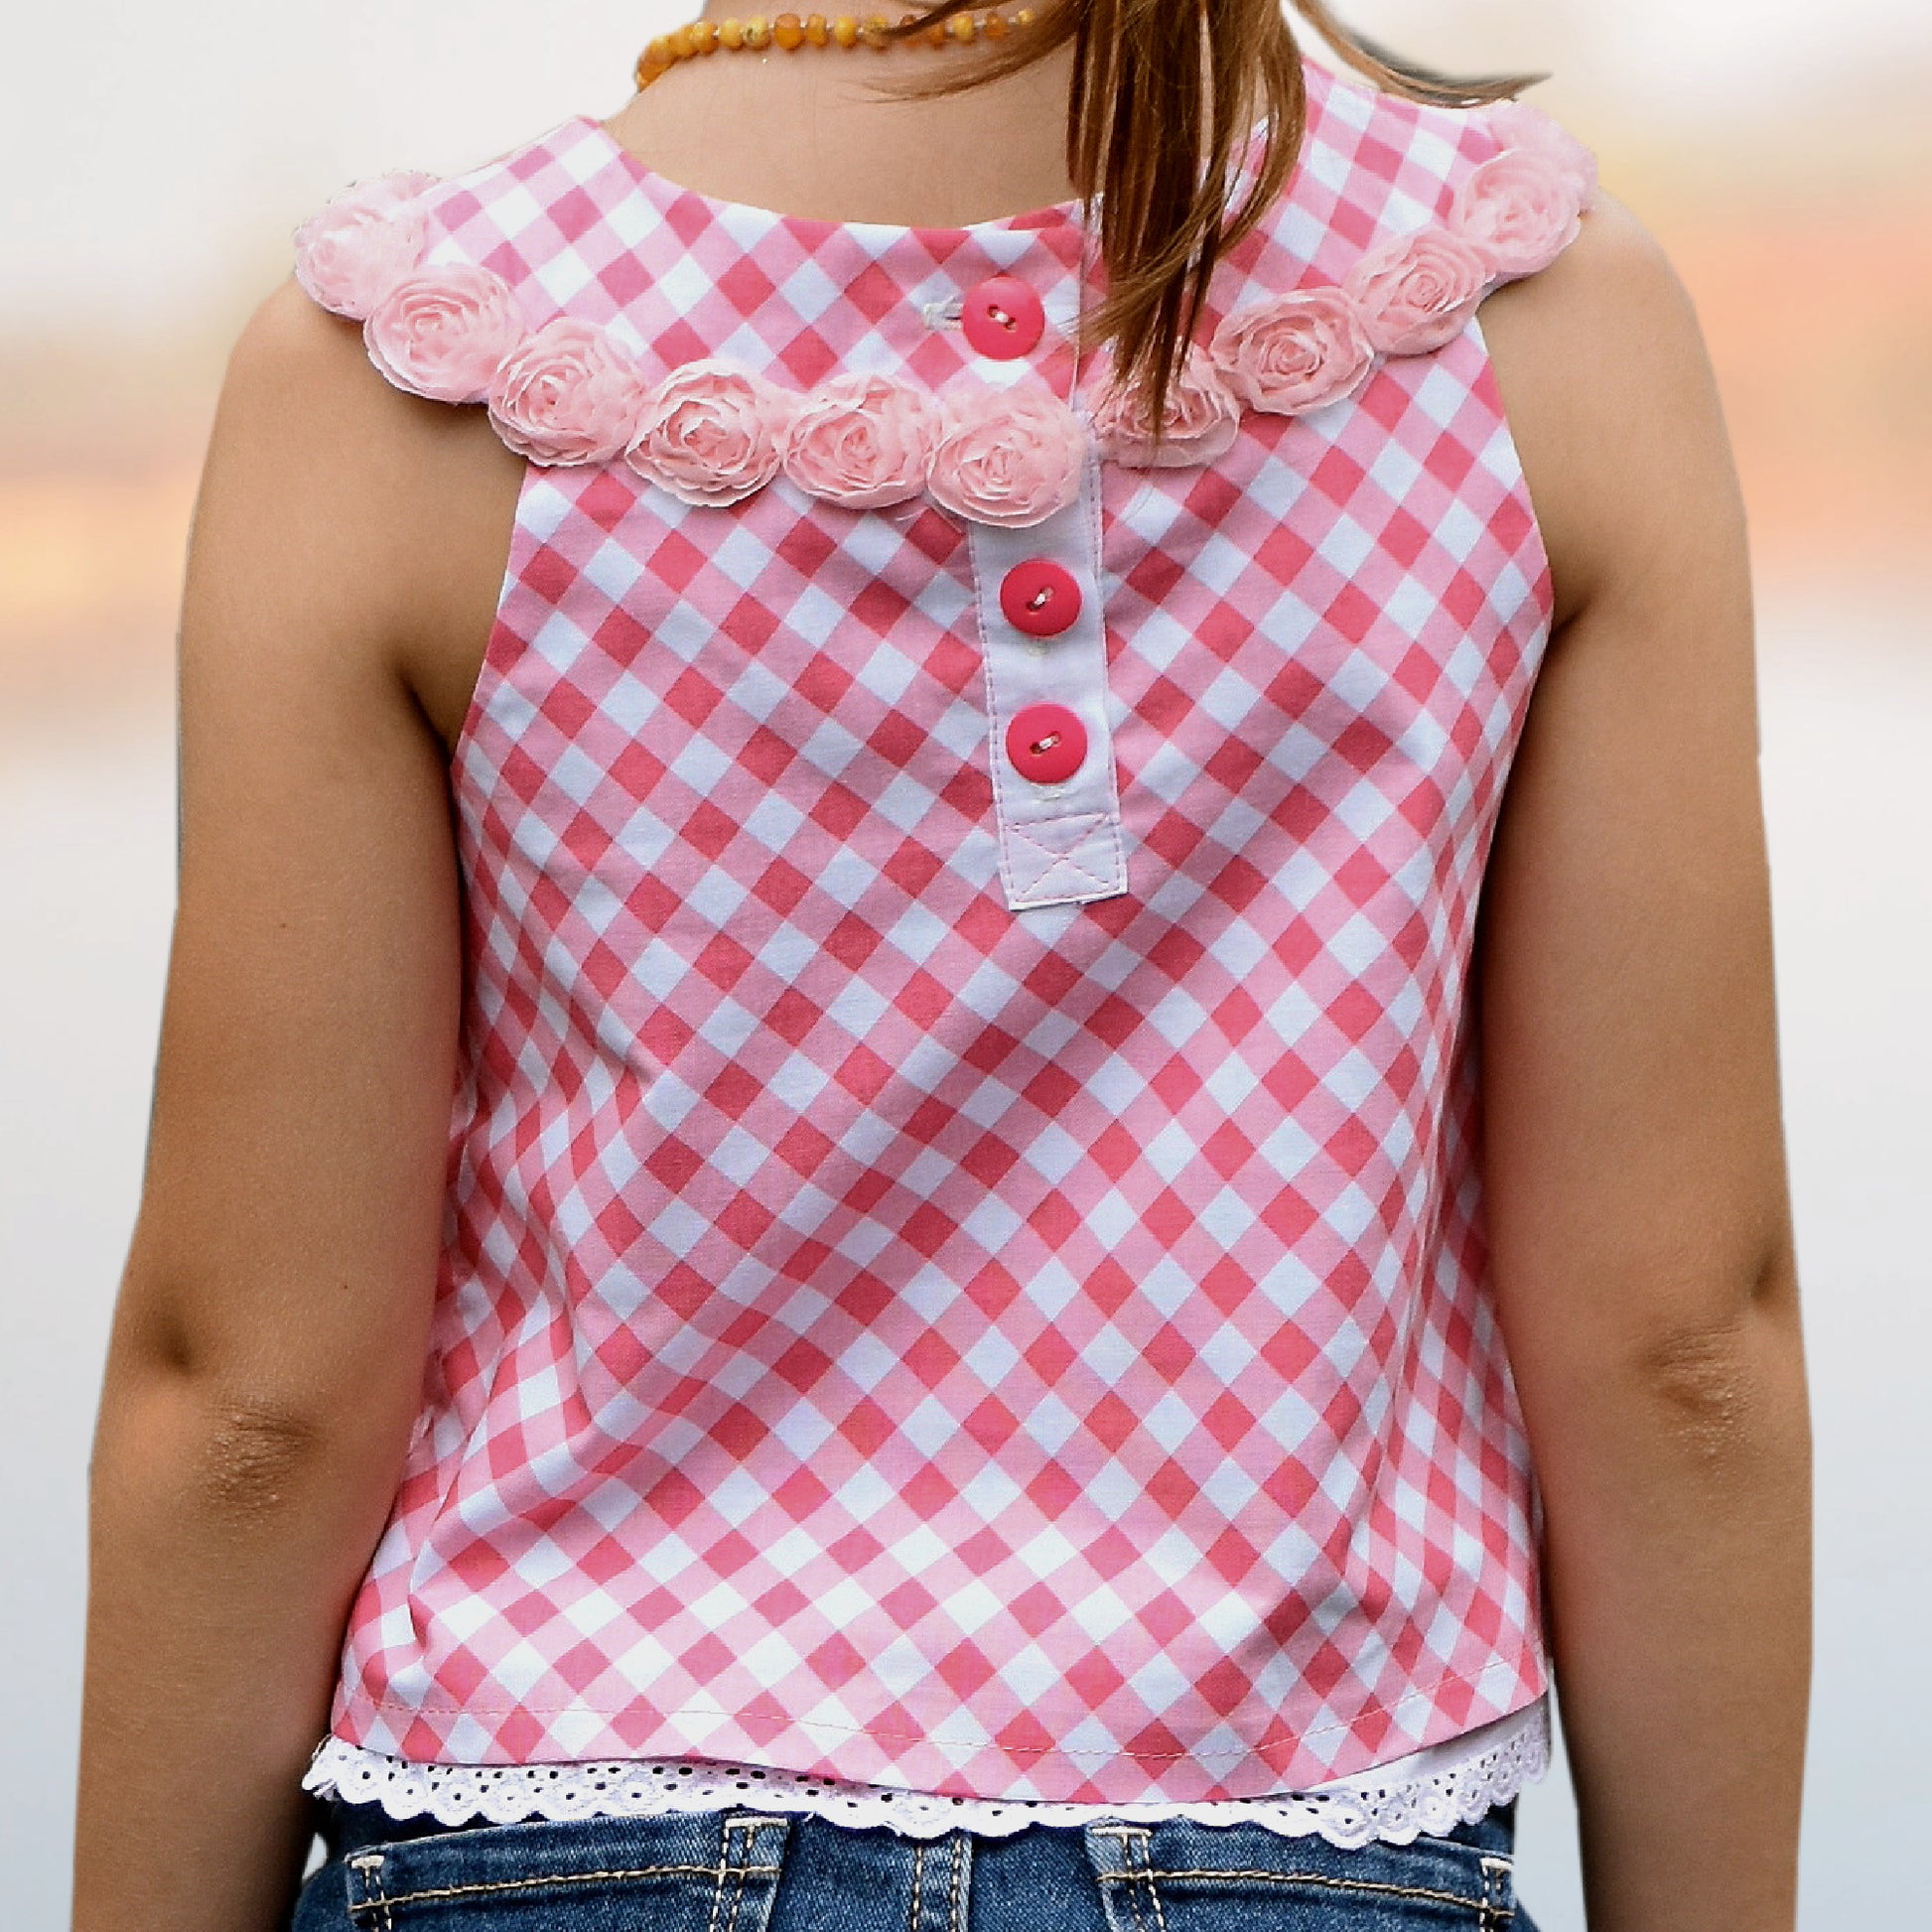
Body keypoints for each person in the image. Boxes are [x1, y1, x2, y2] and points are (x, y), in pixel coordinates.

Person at [71, 2, 1811, 1928]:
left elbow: (251, 1398)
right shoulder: (1526, 332)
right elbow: (1678, 1350)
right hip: (1299, 1828)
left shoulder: (411, 371)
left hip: (543, 1830)